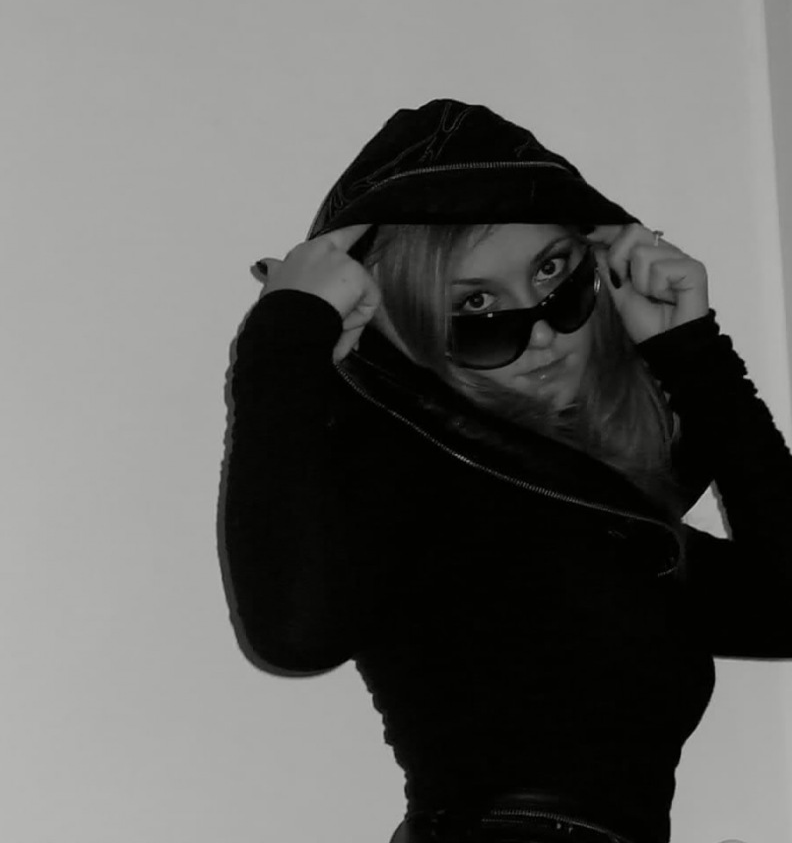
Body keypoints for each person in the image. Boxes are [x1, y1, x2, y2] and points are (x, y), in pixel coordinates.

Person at [221, 99, 792, 843]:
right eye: (479, 306)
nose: (545, 330)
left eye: (554, 275)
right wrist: (287, 338)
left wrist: (693, 352)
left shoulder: (591, 514)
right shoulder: (411, 471)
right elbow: (294, 634)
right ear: (405, 323)